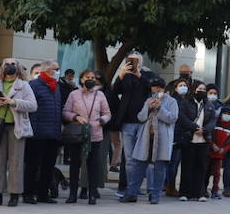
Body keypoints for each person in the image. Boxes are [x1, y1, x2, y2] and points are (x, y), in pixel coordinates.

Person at [0, 58, 36, 207]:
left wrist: (14, 102)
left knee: (16, 161)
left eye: (13, 64)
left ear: (18, 68)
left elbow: (33, 105)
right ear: (2, 67)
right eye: (7, 64)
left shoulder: (24, 85)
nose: (10, 66)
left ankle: (14, 194)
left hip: (16, 127)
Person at [62, 68, 111, 204]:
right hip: (77, 133)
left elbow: (107, 113)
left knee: (93, 165)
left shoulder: (100, 95)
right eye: (87, 77)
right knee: (75, 164)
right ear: (82, 79)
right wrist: (76, 117)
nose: (90, 79)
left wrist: (101, 121)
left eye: (93, 77)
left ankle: (92, 194)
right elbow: (65, 111)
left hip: (95, 134)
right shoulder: (73, 94)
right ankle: (72, 194)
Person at [124, 77, 176, 204]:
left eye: (157, 88)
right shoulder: (148, 100)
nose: (155, 91)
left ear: (162, 89)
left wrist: (159, 108)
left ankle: (155, 194)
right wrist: (148, 108)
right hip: (146, 138)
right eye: (153, 88)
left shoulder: (172, 101)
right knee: (138, 166)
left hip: (162, 140)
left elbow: (172, 118)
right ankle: (132, 193)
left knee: (159, 168)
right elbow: (140, 117)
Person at [115, 52, 157, 195]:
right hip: (127, 122)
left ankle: (137, 187)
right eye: (131, 60)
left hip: (143, 122)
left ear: (141, 62)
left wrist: (139, 74)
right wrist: (120, 75)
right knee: (129, 158)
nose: (134, 63)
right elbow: (115, 91)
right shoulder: (125, 75)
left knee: (142, 157)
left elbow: (151, 88)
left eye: (136, 60)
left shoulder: (148, 75)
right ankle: (129, 188)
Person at [24, 59, 64, 204]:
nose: (58, 71)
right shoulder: (34, 85)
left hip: (53, 133)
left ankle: (43, 194)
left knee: (48, 166)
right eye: (56, 69)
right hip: (37, 133)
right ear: (47, 70)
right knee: (33, 166)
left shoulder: (56, 86)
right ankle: (28, 193)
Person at [175, 79, 209, 201]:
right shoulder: (186, 102)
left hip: (203, 140)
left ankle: (199, 193)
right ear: (194, 90)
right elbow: (181, 117)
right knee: (187, 166)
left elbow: (212, 120)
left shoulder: (208, 104)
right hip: (189, 138)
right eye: (200, 89)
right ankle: (185, 192)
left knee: (201, 167)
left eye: (204, 90)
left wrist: (204, 130)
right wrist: (194, 127)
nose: (202, 92)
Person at [208, 108, 230, 199]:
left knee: (217, 174)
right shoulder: (215, 123)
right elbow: (209, 135)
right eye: (225, 113)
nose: (226, 115)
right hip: (210, 152)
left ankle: (215, 191)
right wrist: (213, 145)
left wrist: (224, 149)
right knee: (207, 172)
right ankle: (203, 189)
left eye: (228, 114)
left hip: (220, 154)